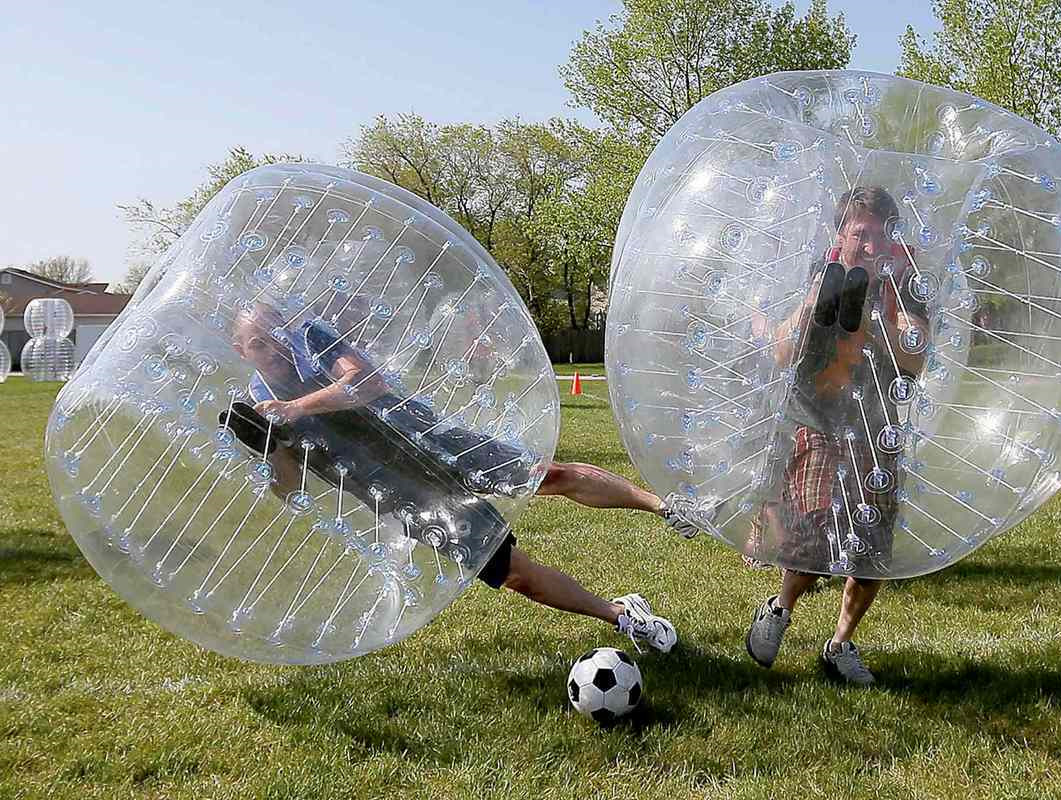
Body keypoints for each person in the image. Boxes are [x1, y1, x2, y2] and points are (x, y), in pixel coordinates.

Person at [228, 303, 698, 653]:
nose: (271, 347)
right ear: (241, 352)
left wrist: (296, 408)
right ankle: (622, 615)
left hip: (431, 439)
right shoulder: (258, 403)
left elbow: (364, 383)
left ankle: (665, 507)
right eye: (257, 343)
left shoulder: (313, 339)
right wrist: (270, 446)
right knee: (512, 573)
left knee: (547, 477)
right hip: (404, 495)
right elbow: (289, 491)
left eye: (273, 333)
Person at [743, 186, 929, 685]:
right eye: (860, 233)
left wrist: (877, 319)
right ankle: (780, 608)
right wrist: (815, 304)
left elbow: (916, 361)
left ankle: (840, 643)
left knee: (870, 548)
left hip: (875, 424)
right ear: (841, 234)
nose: (869, 245)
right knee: (811, 531)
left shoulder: (906, 287)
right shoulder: (814, 274)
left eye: (879, 235)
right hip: (816, 417)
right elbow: (783, 353)